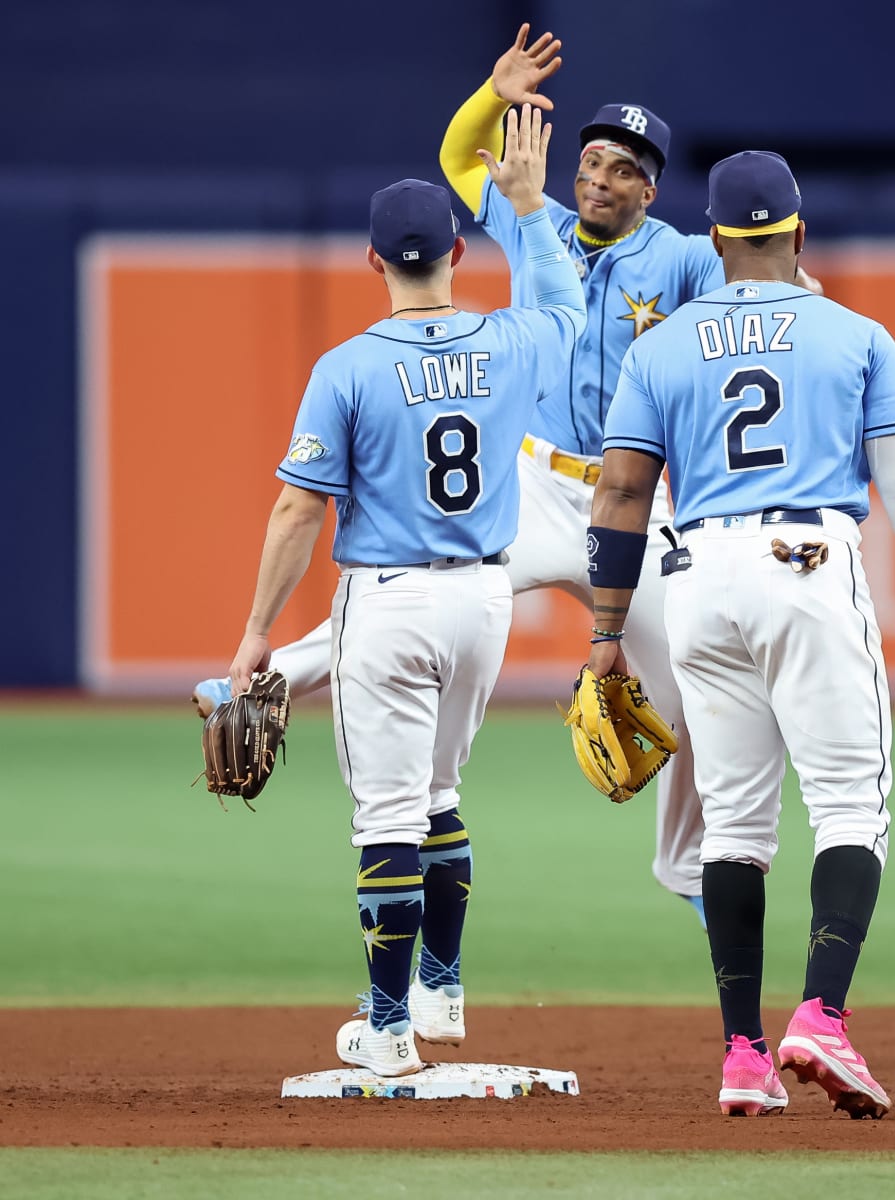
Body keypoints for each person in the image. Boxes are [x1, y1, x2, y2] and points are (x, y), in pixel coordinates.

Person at [194, 25, 797, 924]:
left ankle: (690, 864)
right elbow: (454, 153)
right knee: (408, 597)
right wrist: (492, 92)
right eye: (590, 158)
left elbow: (757, 271)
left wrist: (801, 292)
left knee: (699, 677)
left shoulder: (676, 255)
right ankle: (255, 681)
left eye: (623, 168)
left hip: (631, 496)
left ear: (650, 188)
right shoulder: (531, 217)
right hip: (530, 483)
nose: (598, 176)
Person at [587, 151, 895, 1119]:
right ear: (800, 236)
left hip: (695, 577)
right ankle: (821, 1015)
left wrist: (608, 630)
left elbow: (620, 493)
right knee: (850, 806)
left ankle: (743, 1054)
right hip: (806, 563)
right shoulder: (854, 333)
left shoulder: (662, 345)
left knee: (733, 828)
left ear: (717, 241)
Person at [222, 108, 585, 1074]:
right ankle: (444, 990)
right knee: (437, 794)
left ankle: (385, 1029)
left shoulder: (345, 368)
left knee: (384, 817)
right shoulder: (514, 344)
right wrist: (530, 205)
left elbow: (299, 512)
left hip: (387, 602)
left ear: (372, 262)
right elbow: (566, 305)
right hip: (485, 602)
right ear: (459, 252)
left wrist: (259, 634)